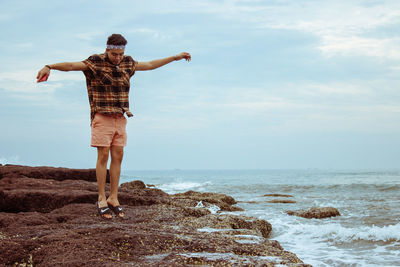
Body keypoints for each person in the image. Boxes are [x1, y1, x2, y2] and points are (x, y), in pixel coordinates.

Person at [36, 33, 191, 220]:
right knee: (103, 155)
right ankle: (101, 198)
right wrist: (49, 66)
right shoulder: (96, 62)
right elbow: (71, 66)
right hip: (102, 116)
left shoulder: (127, 63)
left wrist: (175, 57)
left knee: (118, 156)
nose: (117, 58)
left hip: (121, 116)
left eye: (120, 54)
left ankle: (114, 198)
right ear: (107, 49)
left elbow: (149, 65)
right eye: (114, 54)